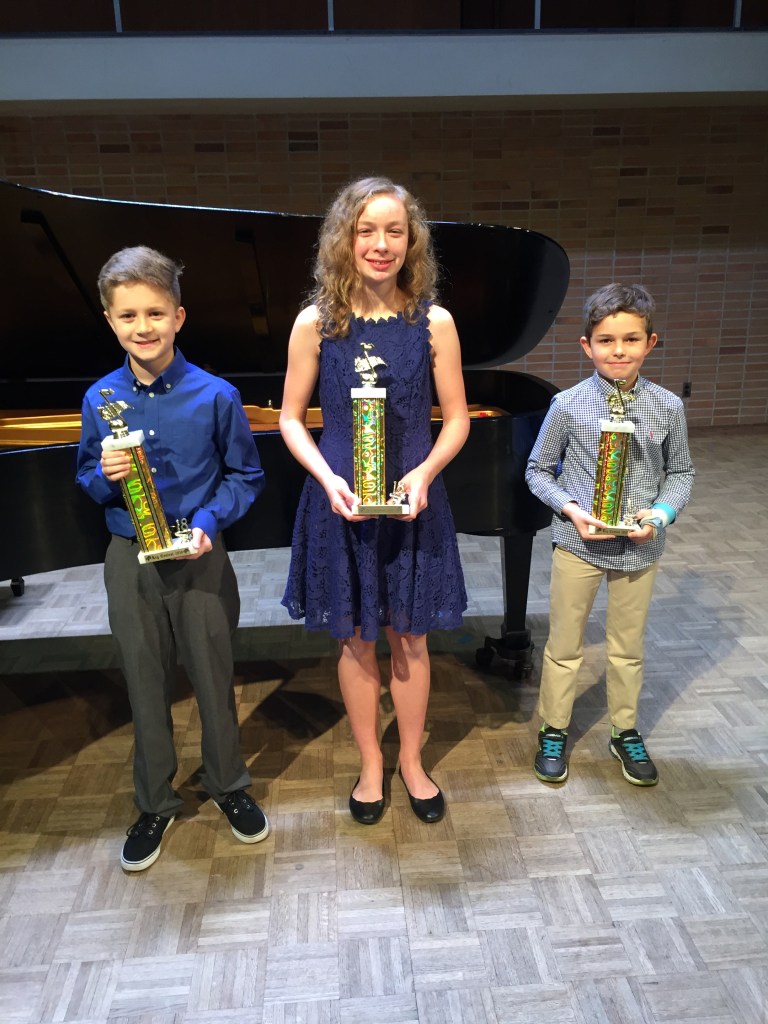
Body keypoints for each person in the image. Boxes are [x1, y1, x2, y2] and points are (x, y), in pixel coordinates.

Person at [280, 177, 469, 825]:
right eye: (367, 230)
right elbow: (289, 419)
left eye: (394, 230)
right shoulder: (316, 323)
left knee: (410, 638)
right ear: (346, 238)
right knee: (357, 641)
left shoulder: (435, 322)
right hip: (341, 502)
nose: (381, 244)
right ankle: (369, 764)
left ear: (412, 241)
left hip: (414, 502)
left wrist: (426, 473)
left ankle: (411, 762)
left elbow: (458, 419)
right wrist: (326, 478)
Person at [76, 245, 269, 870]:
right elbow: (86, 478)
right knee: (144, 679)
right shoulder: (99, 397)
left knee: (213, 675)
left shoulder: (216, 395)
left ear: (178, 317)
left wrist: (209, 522)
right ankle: (154, 801)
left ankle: (227, 783)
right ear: (110, 320)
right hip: (130, 557)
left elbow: (246, 475)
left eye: (155, 313)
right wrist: (104, 475)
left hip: (198, 554)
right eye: (128, 315)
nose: (143, 327)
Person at [525, 283, 694, 787]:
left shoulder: (668, 406)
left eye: (631, 339)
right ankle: (554, 728)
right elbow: (537, 470)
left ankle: (624, 730)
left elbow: (681, 472)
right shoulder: (566, 404)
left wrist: (660, 514)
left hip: (640, 549)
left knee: (627, 647)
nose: (618, 350)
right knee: (564, 644)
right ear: (587, 345)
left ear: (650, 343)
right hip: (578, 545)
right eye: (606, 340)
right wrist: (570, 510)